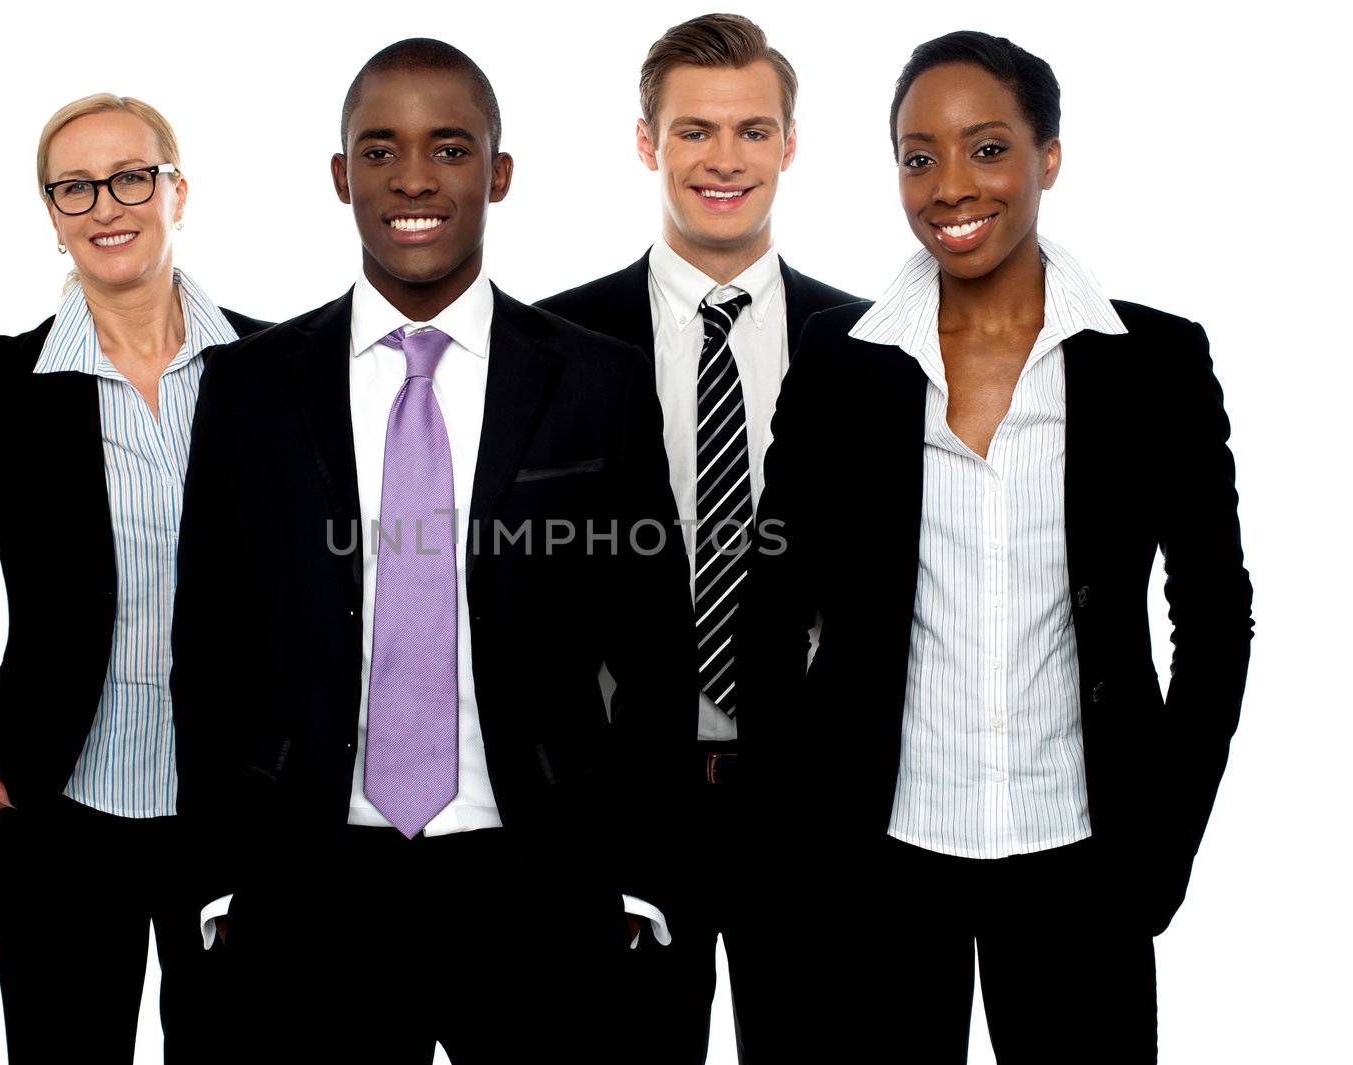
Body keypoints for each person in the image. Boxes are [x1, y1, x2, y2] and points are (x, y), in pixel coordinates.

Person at [170, 37, 697, 1065]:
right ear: (341, 177)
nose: (413, 178)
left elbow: (654, 652)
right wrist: (219, 876)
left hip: (537, 882)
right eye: (380, 150)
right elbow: (212, 648)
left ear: (498, 173)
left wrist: (637, 875)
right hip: (314, 883)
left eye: (449, 148)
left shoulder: (595, 382)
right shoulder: (253, 387)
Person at [741, 30, 1252, 1063]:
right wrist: (801, 845)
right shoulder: (841, 368)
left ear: (1046, 158)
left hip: (1084, 861)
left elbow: (1212, 614)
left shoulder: (1154, 361)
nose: (946, 186)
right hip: (880, 862)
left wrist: (1163, 843)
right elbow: (771, 611)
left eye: (985, 148)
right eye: (916, 156)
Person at [0, 93, 269, 1062]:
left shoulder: (274, 368)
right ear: (52, 214)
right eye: (74, 187)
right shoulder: (4, 383)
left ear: (177, 190)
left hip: (240, 824)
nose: (105, 205)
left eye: (130, 177)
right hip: (61, 822)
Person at [536, 13, 856, 1062]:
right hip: (616, 814)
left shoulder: (873, 350)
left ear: (790, 145)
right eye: (694, 132)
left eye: (752, 131)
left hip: (816, 820)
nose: (725, 160)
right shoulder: (548, 348)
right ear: (646, 144)